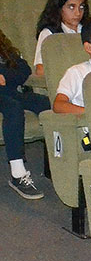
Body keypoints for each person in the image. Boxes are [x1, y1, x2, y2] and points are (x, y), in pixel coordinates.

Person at [0, 28, 49, 199]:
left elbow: (24, 69)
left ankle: (64, 156)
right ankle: (17, 174)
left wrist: (4, 75)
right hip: (5, 98)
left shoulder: (5, 49)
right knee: (13, 108)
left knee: (46, 103)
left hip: (11, 92)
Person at [33, 0, 88, 76]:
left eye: (81, 7)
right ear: (59, 8)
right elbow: (40, 69)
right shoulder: (49, 34)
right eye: (71, 7)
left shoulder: (88, 29)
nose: (78, 13)